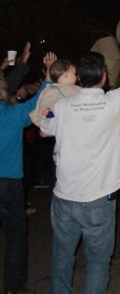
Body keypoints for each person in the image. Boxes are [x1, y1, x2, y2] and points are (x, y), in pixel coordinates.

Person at [39, 21, 120, 294]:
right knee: (98, 261)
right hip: (99, 200)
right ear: (103, 76)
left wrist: (48, 77)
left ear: (78, 78)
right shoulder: (113, 103)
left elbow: (44, 130)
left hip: (65, 198)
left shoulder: (63, 107)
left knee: (62, 259)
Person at [0, 61, 51, 294]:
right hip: (8, 183)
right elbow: (37, 104)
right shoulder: (12, 114)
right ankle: (14, 284)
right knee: (15, 235)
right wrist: (48, 78)